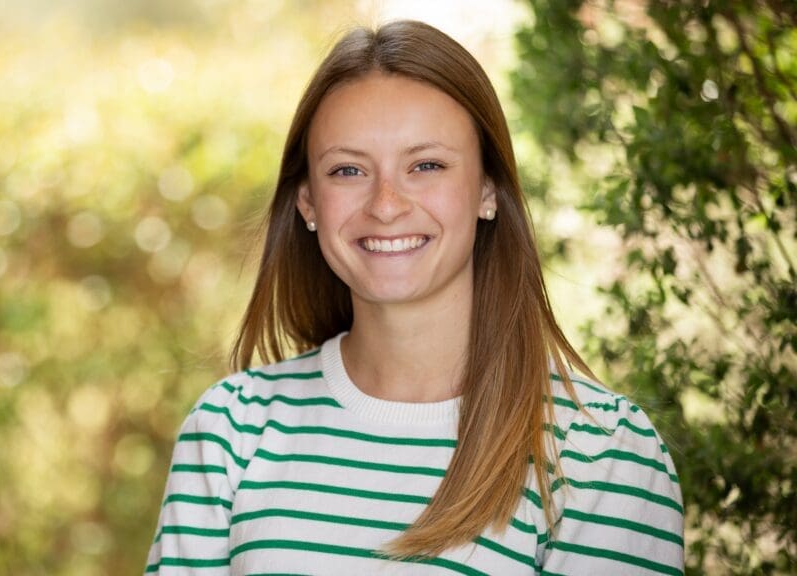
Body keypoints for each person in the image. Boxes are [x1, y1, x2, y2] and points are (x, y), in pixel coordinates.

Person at [145, 19, 683, 575]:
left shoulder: (600, 452)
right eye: (348, 170)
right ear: (308, 203)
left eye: (426, 165)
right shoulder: (229, 431)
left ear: (488, 190)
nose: (386, 204)